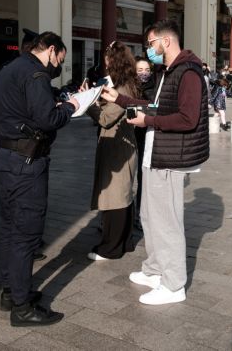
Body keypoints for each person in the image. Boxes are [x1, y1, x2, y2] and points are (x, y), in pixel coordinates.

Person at [101, 19, 209, 305]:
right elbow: (156, 107)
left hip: (171, 156)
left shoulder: (189, 72)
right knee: (150, 217)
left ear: (166, 41)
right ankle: (155, 269)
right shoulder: (168, 71)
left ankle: (173, 285)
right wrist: (121, 100)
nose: (149, 49)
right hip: (155, 153)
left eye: (151, 43)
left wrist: (147, 121)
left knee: (167, 222)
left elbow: (188, 119)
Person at [0, 31, 79, 327]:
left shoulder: (10, 68)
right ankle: (22, 308)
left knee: (10, 227)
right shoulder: (36, 74)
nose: (58, 66)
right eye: (60, 60)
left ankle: (10, 292)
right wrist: (70, 107)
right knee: (26, 234)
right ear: (51, 50)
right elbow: (48, 119)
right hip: (26, 163)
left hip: (5, 157)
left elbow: (21, 107)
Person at [85, 41, 140, 260]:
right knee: (122, 195)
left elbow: (106, 118)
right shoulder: (123, 83)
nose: (105, 64)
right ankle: (124, 242)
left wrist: (87, 104)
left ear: (114, 61)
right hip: (119, 145)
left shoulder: (123, 87)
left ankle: (111, 248)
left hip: (119, 147)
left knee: (115, 197)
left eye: (108, 60)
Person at [133, 56, 155, 231]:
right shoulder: (129, 87)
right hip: (129, 135)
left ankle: (140, 215)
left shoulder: (155, 86)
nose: (144, 73)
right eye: (140, 70)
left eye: (147, 70)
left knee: (143, 178)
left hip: (146, 136)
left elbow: (156, 108)